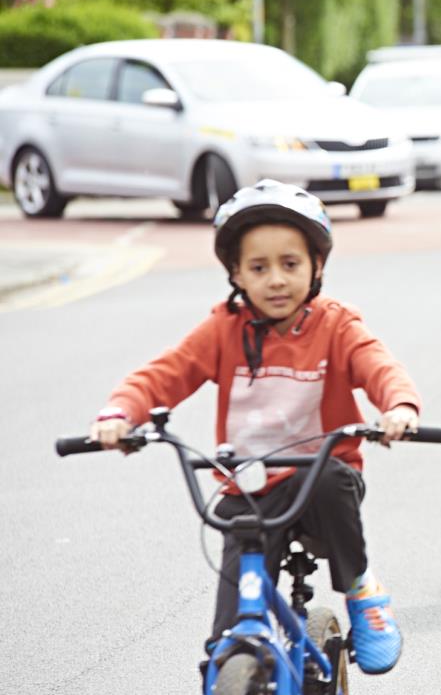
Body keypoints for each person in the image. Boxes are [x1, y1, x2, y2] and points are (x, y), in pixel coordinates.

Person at [88, 179, 422, 677]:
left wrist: (399, 407)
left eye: (290, 264)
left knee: (331, 475)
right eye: (259, 268)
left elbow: (378, 366)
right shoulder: (224, 329)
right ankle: (230, 661)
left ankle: (361, 590)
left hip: (318, 488)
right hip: (248, 491)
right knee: (226, 639)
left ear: (316, 267)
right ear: (236, 274)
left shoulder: (336, 325)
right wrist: (120, 414)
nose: (276, 280)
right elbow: (165, 374)